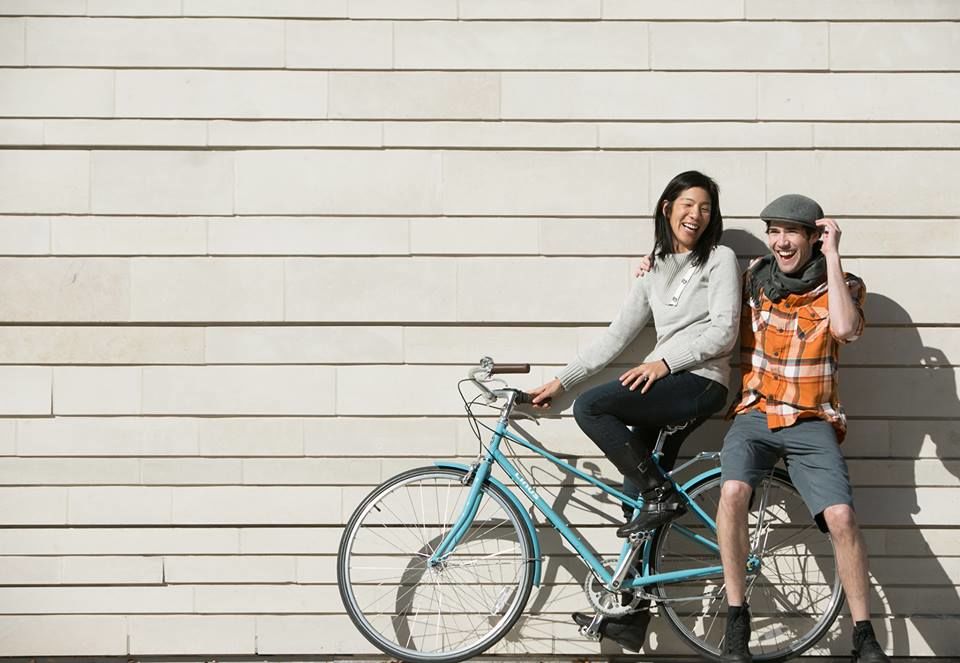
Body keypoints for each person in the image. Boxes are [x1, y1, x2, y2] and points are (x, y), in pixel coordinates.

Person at [715, 194, 889, 663]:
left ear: (814, 236)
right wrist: (659, 265)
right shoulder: (754, 280)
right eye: (774, 231)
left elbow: (846, 329)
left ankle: (863, 634)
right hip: (755, 412)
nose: (780, 240)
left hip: (811, 419)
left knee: (842, 518)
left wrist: (833, 256)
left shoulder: (845, 284)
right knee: (731, 493)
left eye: (792, 231)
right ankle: (737, 618)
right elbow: (704, 295)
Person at [530, 170, 740, 541]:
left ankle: (662, 495)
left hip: (699, 380)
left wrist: (664, 363)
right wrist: (561, 382)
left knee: (591, 407)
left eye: (706, 209)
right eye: (688, 205)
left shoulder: (720, 258)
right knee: (633, 497)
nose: (696, 215)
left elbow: (724, 332)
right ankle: (640, 594)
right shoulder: (654, 267)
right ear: (667, 208)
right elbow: (617, 336)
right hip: (666, 382)